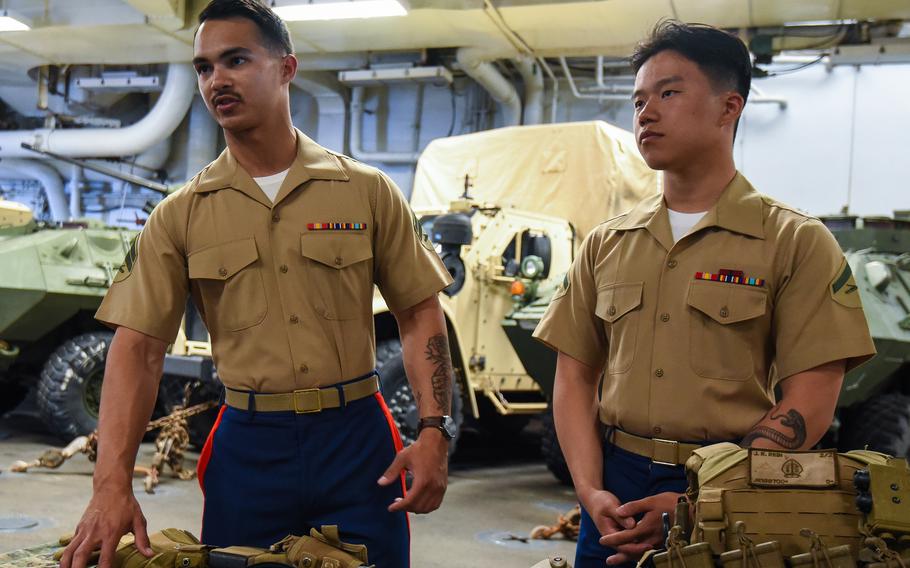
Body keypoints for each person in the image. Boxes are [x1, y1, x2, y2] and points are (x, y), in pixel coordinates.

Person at [59, 1, 455, 567]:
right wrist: (109, 483)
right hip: (249, 446)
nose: (216, 79)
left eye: (236, 60)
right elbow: (138, 349)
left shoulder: (366, 191)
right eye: (203, 67)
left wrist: (436, 431)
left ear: (286, 68)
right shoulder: (180, 214)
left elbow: (420, 314)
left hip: (357, 440)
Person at [533, 21, 876, 568]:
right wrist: (589, 490)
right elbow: (575, 376)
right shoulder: (607, 243)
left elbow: (810, 397)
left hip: (731, 494)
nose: (645, 112)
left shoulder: (794, 242)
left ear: (728, 108)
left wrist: (703, 499)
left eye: (669, 92)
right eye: (639, 99)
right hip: (614, 491)